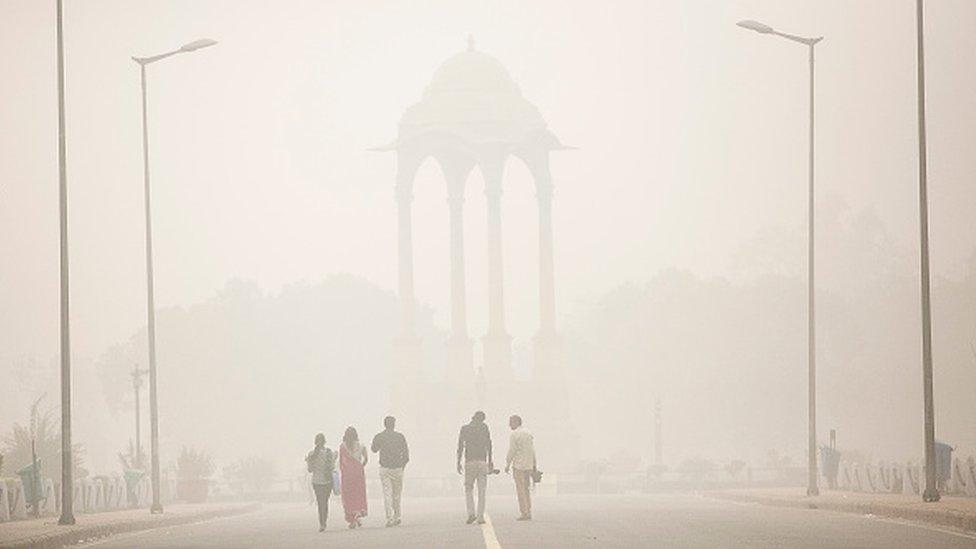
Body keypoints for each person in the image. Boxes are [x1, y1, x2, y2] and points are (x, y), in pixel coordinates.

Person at [371, 416, 409, 526]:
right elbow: (406, 455)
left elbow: (374, 449)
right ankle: (397, 516)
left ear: (384, 424)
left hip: (385, 468)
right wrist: (402, 466)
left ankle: (389, 519)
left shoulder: (379, 436)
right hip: (397, 468)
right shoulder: (400, 437)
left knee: (387, 493)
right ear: (394, 424)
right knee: (397, 494)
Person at [456, 410, 493, 525]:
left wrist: (458, 462)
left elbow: (460, 445)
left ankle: (471, 513)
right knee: (482, 490)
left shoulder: (465, 428)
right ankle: (480, 516)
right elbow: (489, 445)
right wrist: (490, 461)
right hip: (482, 461)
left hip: (470, 461)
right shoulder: (484, 428)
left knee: (468, 488)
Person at [505, 415, 536, 521]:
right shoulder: (528, 433)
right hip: (528, 465)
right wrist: (534, 465)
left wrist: (507, 463)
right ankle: (528, 510)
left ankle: (524, 512)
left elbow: (512, 450)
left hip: (518, 465)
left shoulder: (514, 434)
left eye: (510, 422)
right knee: (526, 489)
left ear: (515, 422)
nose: (509, 425)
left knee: (520, 489)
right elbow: (532, 450)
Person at [305, 433, 336, 532]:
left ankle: (322, 523)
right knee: (325, 502)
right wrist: (335, 457)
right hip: (327, 481)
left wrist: (308, 461)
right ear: (324, 441)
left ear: (315, 442)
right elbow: (332, 467)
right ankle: (324, 521)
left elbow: (310, 470)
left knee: (320, 502)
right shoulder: (329, 452)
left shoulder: (311, 454)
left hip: (316, 482)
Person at [340, 426, 369, 528]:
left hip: (347, 474)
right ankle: (358, 514)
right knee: (358, 494)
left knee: (349, 496)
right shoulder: (361, 446)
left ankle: (352, 519)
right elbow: (366, 459)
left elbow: (341, 463)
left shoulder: (342, 446)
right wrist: (361, 466)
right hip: (358, 473)